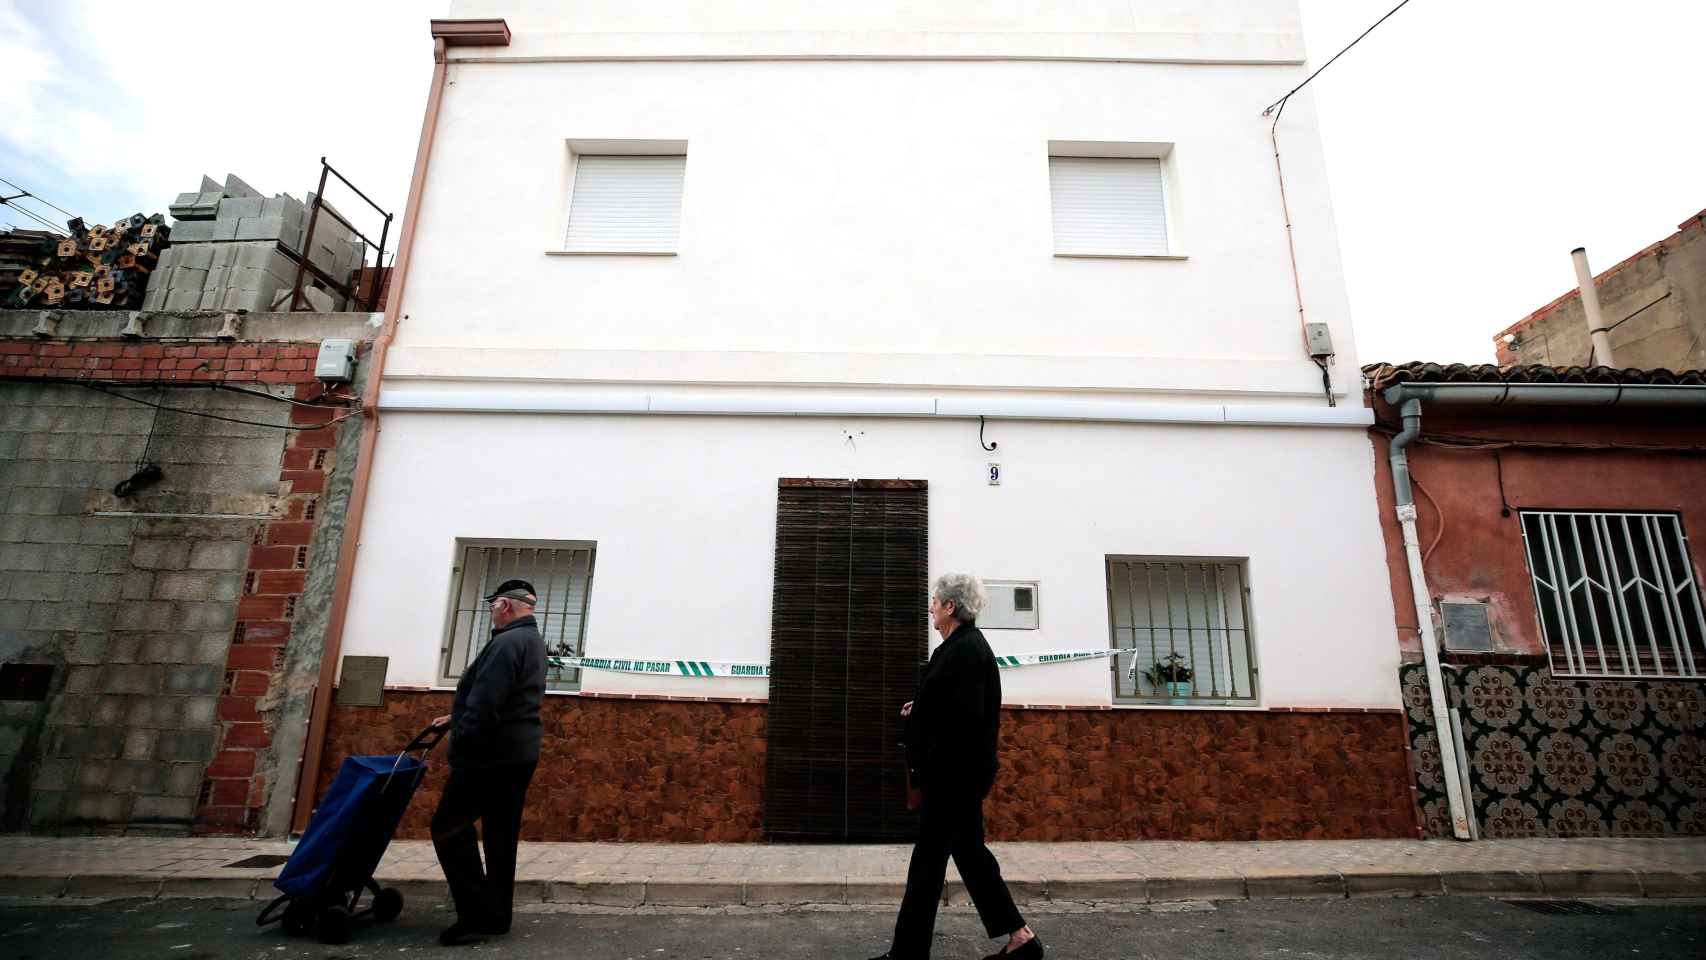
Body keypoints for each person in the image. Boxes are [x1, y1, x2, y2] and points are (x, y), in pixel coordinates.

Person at [869, 573, 1043, 960]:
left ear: (950, 607)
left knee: (928, 864)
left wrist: (921, 720)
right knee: (969, 855)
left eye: (935, 601)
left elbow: (962, 720)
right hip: (957, 776)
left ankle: (907, 954)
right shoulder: (959, 648)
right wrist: (922, 708)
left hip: (953, 777)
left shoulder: (965, 650)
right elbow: (950, 705)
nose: (930, 606)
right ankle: (1022, 939)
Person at [428, 578, 547, 947]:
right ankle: (496, 916)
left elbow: (485, 704)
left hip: (488, 756)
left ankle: (475, 912)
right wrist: (455, 716)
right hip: (518, 754)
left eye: (491, 605)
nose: (490, 612)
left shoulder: (507, 642)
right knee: (499, 835)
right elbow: (506, 696)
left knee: (448, 826)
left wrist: (461, 746)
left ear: (504, 606)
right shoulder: (532, 641)